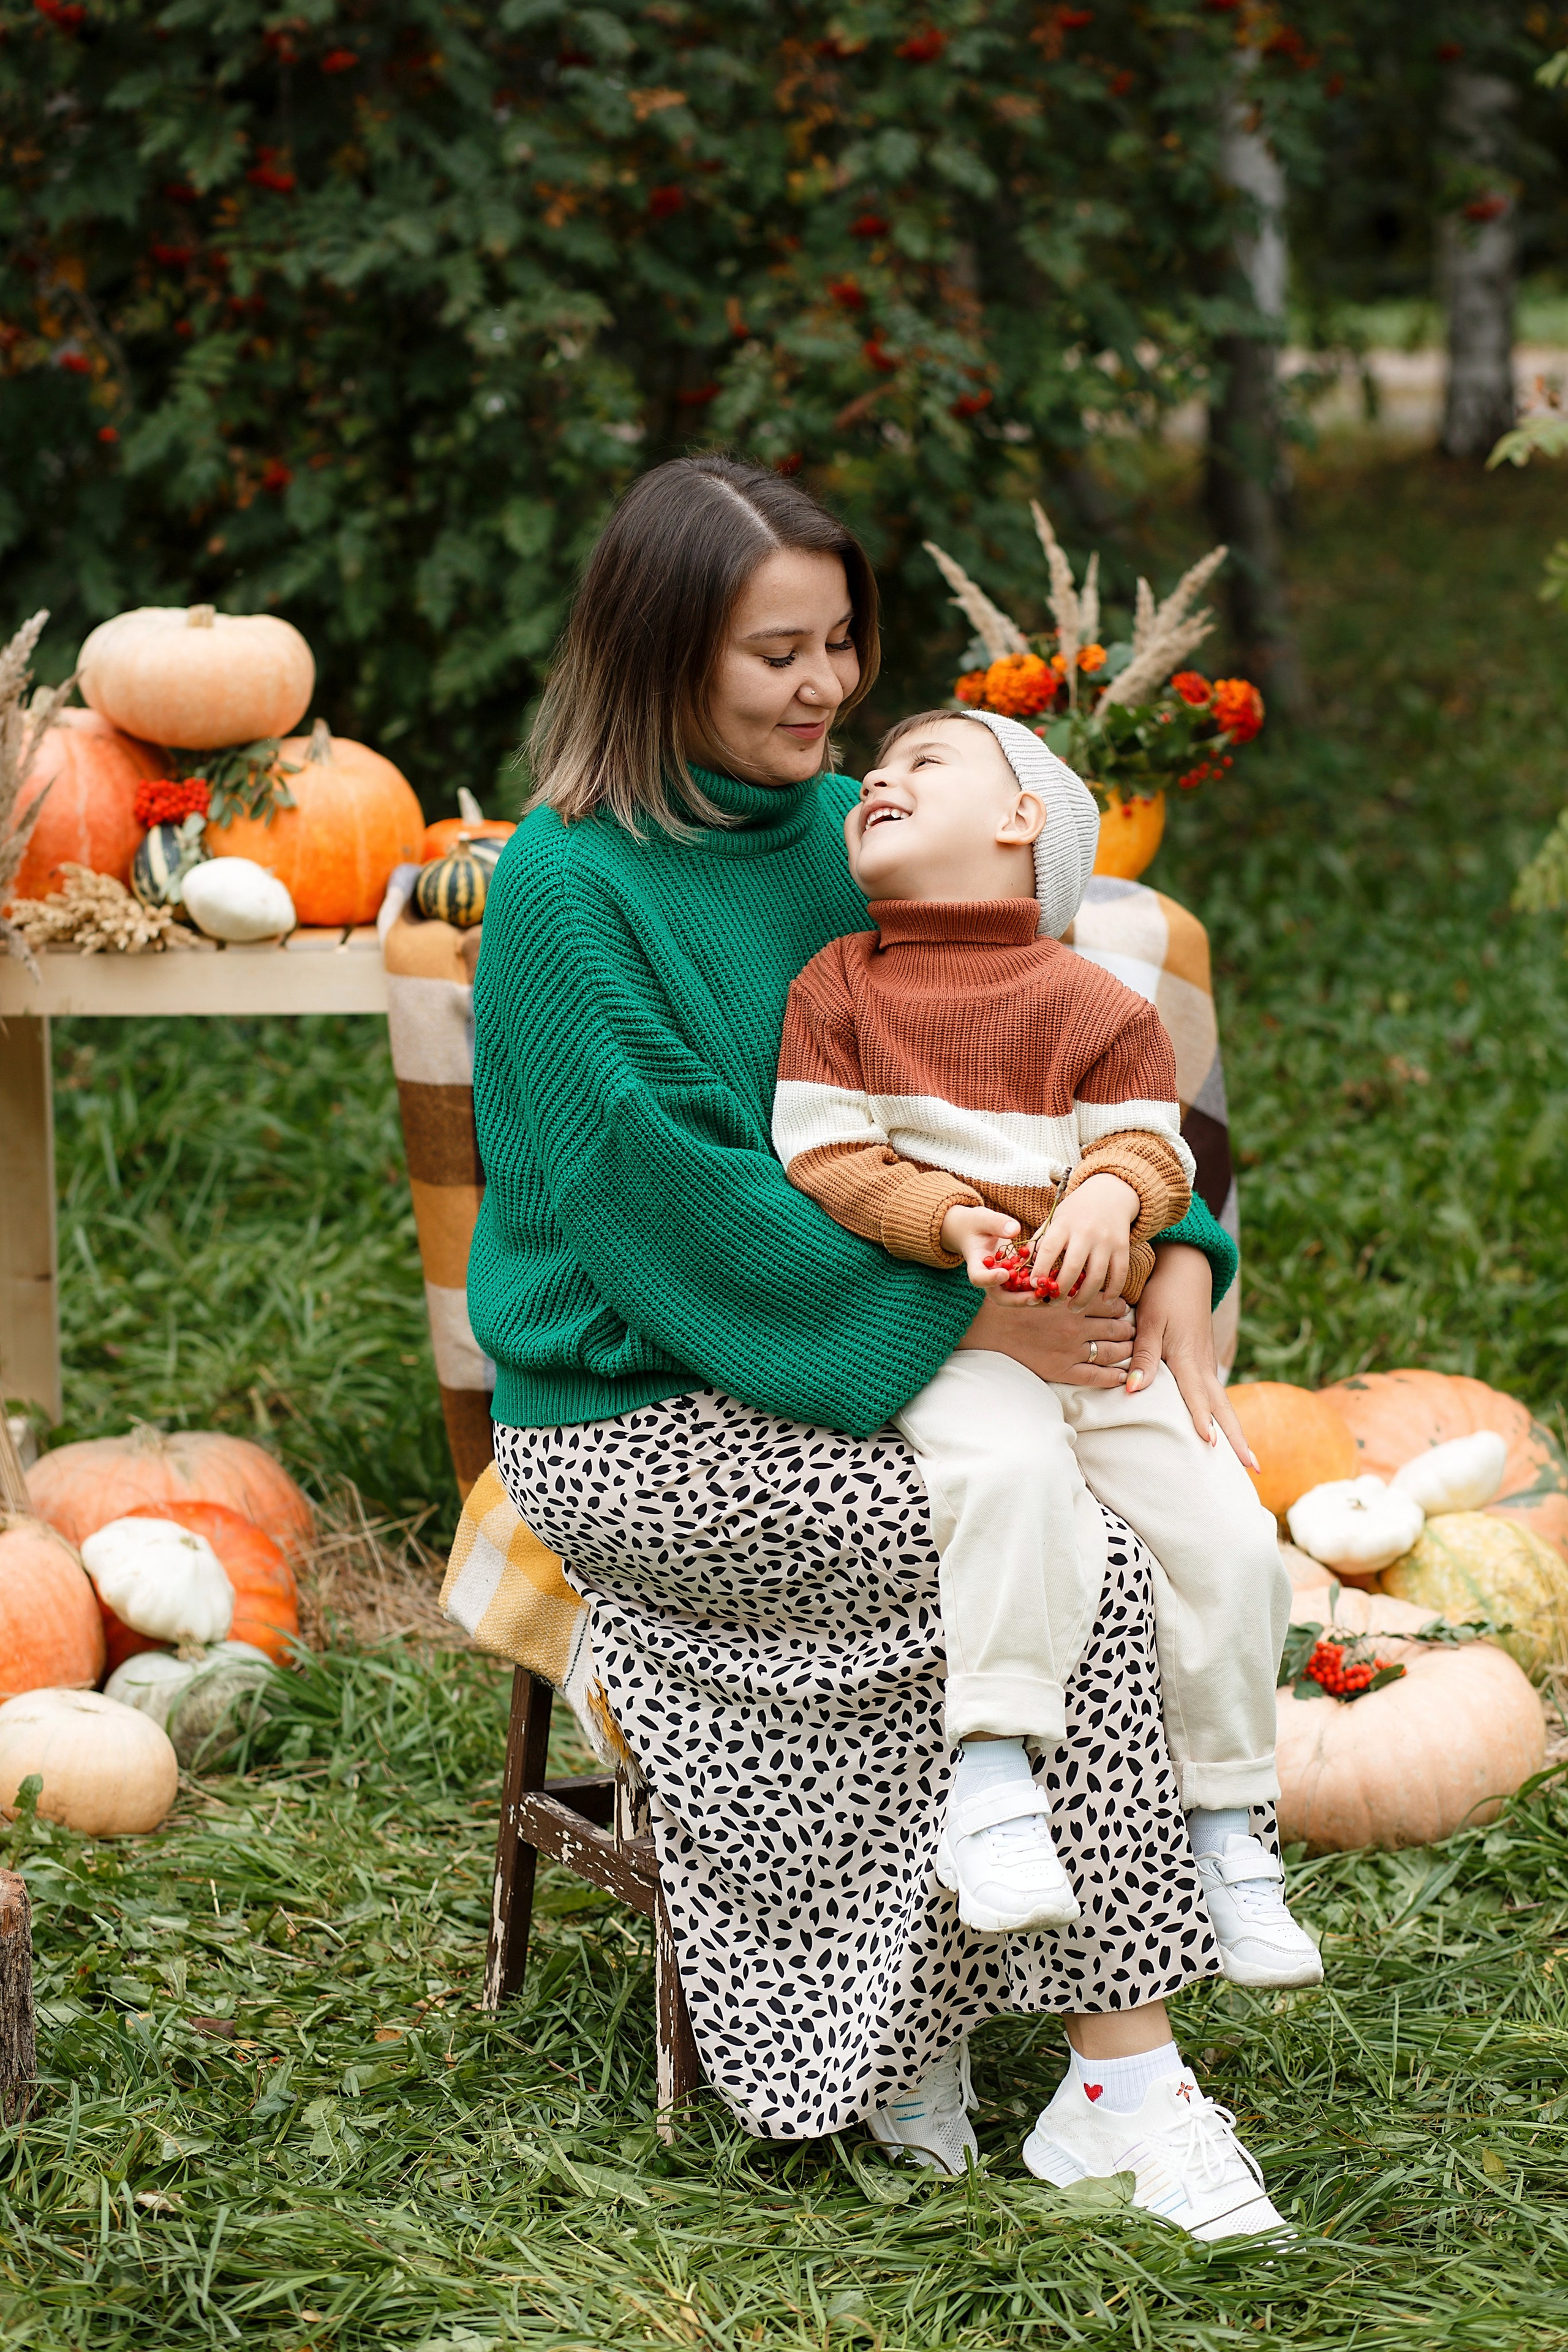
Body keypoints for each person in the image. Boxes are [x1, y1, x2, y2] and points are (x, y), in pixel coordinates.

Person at [469, 452, 1295, 2239]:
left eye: (840, 644)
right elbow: (666, 1205)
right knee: (1026, 1538)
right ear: (658, 650)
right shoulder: (566, 887)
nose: (828, 689)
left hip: (902, 1353)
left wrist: (1170, 1237)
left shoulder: (873, 831)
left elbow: (1071, 1064)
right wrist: (996, 1308)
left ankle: (1056, 2048)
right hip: (644, 1409)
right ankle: (1106, 2074)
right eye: (777, 653)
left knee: (1118, 1511)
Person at [773, 706, 1320, 1989]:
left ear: (1020, 819)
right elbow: (824, 1152)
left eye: (925, 763)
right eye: (878, 769)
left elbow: (1146, 1144)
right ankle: (994, 1779)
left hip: (1099, 1339)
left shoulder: (1091, 1000)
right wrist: (936, 1215)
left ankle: (1230, 1830)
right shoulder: (837, 987)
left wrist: (1105, 1198)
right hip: (959, 1338)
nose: (880, 779)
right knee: (1006, 1482)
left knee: (1233, 1537)